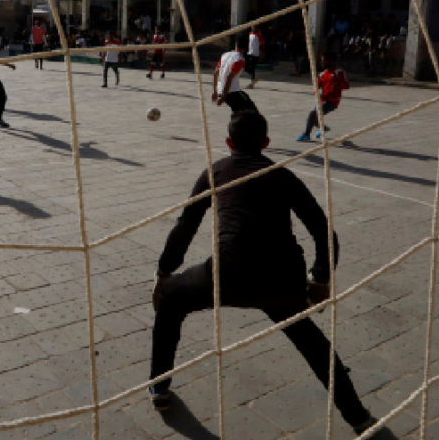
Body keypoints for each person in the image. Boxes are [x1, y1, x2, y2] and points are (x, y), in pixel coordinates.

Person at [146, 113, 397, 440]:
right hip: (280, 278)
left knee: (171, 300)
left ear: (228, 143)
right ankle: (358, 417)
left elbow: (185, 226)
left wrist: (164, 272)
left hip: (227, 273)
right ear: (266, 144)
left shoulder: (216, 171)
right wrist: (320, 278)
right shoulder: (282, 175)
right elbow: (323, 231)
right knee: (312, 342)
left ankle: (160, 387)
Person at [296, 52, 349, 142]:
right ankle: (323, 128)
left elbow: (347, 85)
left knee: (313, 113)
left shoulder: (338, 72)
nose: (322, 62)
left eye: (324, 60)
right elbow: (317, 87)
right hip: (323, 100)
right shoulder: (322, 74)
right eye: (321, 60)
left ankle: (306, 134)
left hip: (332, 101)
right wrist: (316, 92)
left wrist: (338, 85)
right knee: (316, 117)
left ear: (331, 61)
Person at [211, 40, 257, 113]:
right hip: (231, 92)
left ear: (236, 45)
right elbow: (229, 77)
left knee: (242, 104)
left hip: (221, 90)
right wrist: (223, 97)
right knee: (251, 111)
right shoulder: (240, 59)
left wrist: (215, 92)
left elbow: (216, 73)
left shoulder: (225, 55)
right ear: (246, 48)